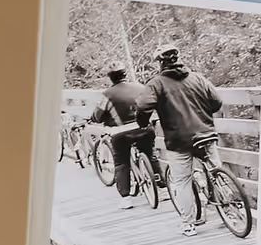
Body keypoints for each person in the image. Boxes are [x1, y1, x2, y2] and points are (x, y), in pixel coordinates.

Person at [150, 43, 226, 232]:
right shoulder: (198, 78)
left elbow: (144, 105)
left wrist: (143, 120)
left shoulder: (156, 84)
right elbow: (216, 102)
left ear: (160, 63)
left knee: (182, 181)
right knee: (216, 171)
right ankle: (229, 207)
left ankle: (188, 224)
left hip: (179, 140)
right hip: (206, 133)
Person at [91, 65, 158, 198]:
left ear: (110, 78)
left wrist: (94, 118)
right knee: (150, 155)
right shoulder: (140, 87)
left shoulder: (107, 95)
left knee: (121, 162)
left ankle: (125, 197)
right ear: (125, 74)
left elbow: (98, 116)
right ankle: (160, 183)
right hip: (144, 128)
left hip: (122, 133)